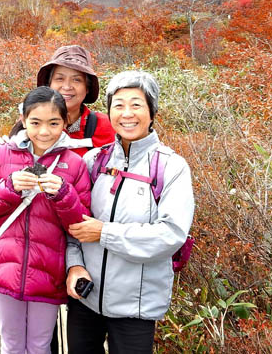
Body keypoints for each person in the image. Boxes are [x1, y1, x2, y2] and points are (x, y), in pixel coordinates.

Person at [65, 71, 195, 353]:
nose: (127, 114)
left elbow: (171, 234)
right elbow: (72, 223)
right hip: (85, 299)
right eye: (118, 104)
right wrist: (73, 265)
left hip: (136, 307)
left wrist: (105, 233)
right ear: (109, 111)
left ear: (152, 111)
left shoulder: (171, 167)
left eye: (136, 104)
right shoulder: (93, 161)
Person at [0, 87, 92, 354]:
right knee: (11, 345)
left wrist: (63, 194)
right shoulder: (0, 155)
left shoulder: (74, 164)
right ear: (23, 119)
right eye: (35, 123)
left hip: (48, 272)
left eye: (54, 123)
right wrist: (8, 187)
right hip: (5, 268)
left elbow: (81, 224)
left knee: (39, 345)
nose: (44, 131)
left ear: (65, 122)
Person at [7, 45, 116, 156]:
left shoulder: (105, 126)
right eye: (60, 78)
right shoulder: (30, 127)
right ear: (49, 84)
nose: (67, 86)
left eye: (76, 80)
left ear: (87, 88)